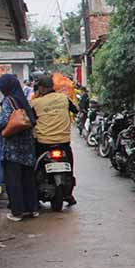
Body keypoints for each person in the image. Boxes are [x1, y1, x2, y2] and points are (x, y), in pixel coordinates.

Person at [0, 73, 38, 221]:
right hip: (27, 148)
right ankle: (32, 208)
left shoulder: (8, 101)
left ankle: (17, 212)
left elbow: (4, 121)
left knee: (14, 181)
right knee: (28, 179)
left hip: (13, 148)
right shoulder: (23, 100)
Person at [30, 72, 78, 206]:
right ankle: (69, 194)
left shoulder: (35, 103)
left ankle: (33, 197)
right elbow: (76, 110)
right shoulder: (63, 99)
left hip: (43, 143)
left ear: (40, 88)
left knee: (34, 168)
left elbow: (30, 121)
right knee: (69, 166)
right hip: (63, 143)